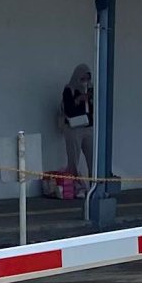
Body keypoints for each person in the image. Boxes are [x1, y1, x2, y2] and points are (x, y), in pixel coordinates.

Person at [55, 64, 95, 198]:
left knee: (92, 158)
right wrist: (78, 100)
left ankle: (94, 186)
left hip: (88, 127)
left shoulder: (91, 90)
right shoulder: (69, 90)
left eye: (87, 79)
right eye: (82, 79)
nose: (85, 82)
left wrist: (90, 99)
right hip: (74, 128)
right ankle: (77, 187)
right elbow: (69, 110)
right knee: (74, 159)